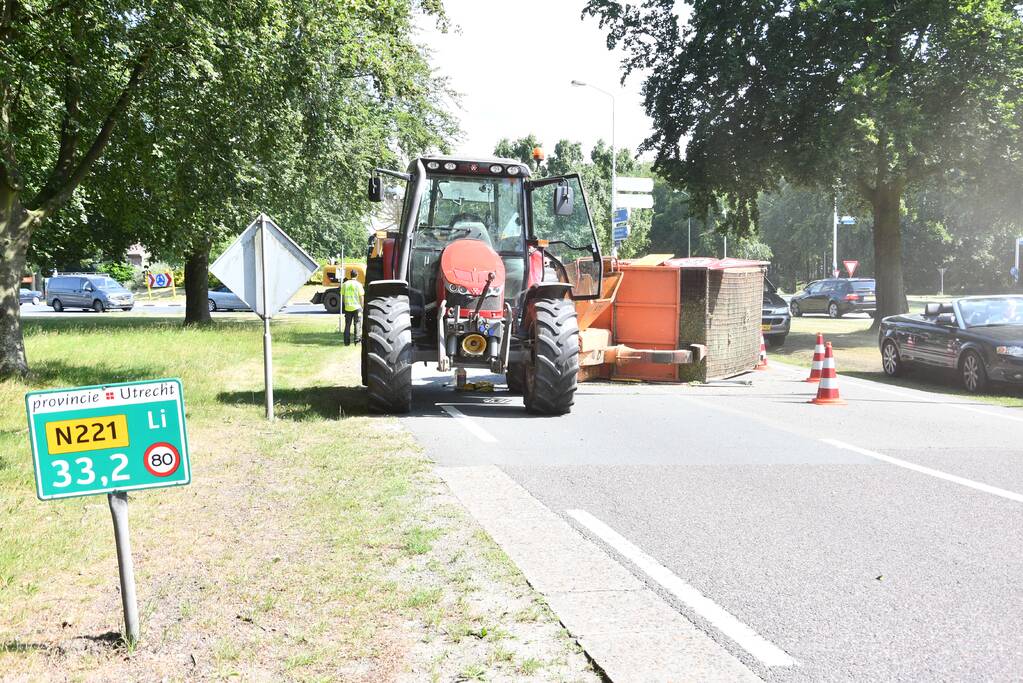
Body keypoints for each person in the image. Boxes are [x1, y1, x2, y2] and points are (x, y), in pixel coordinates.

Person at [341, 270, 364, 345]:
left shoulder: (345, 284)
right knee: (357, 323)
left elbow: (343, 297)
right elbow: (361, 297)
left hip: (348, 307)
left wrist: (346, 304)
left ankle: (346, 341)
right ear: (357, 275)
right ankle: (357, 341)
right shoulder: (358, 284)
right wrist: (362, 306)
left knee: (347, 324)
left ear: (350, 275)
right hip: (357, 307)